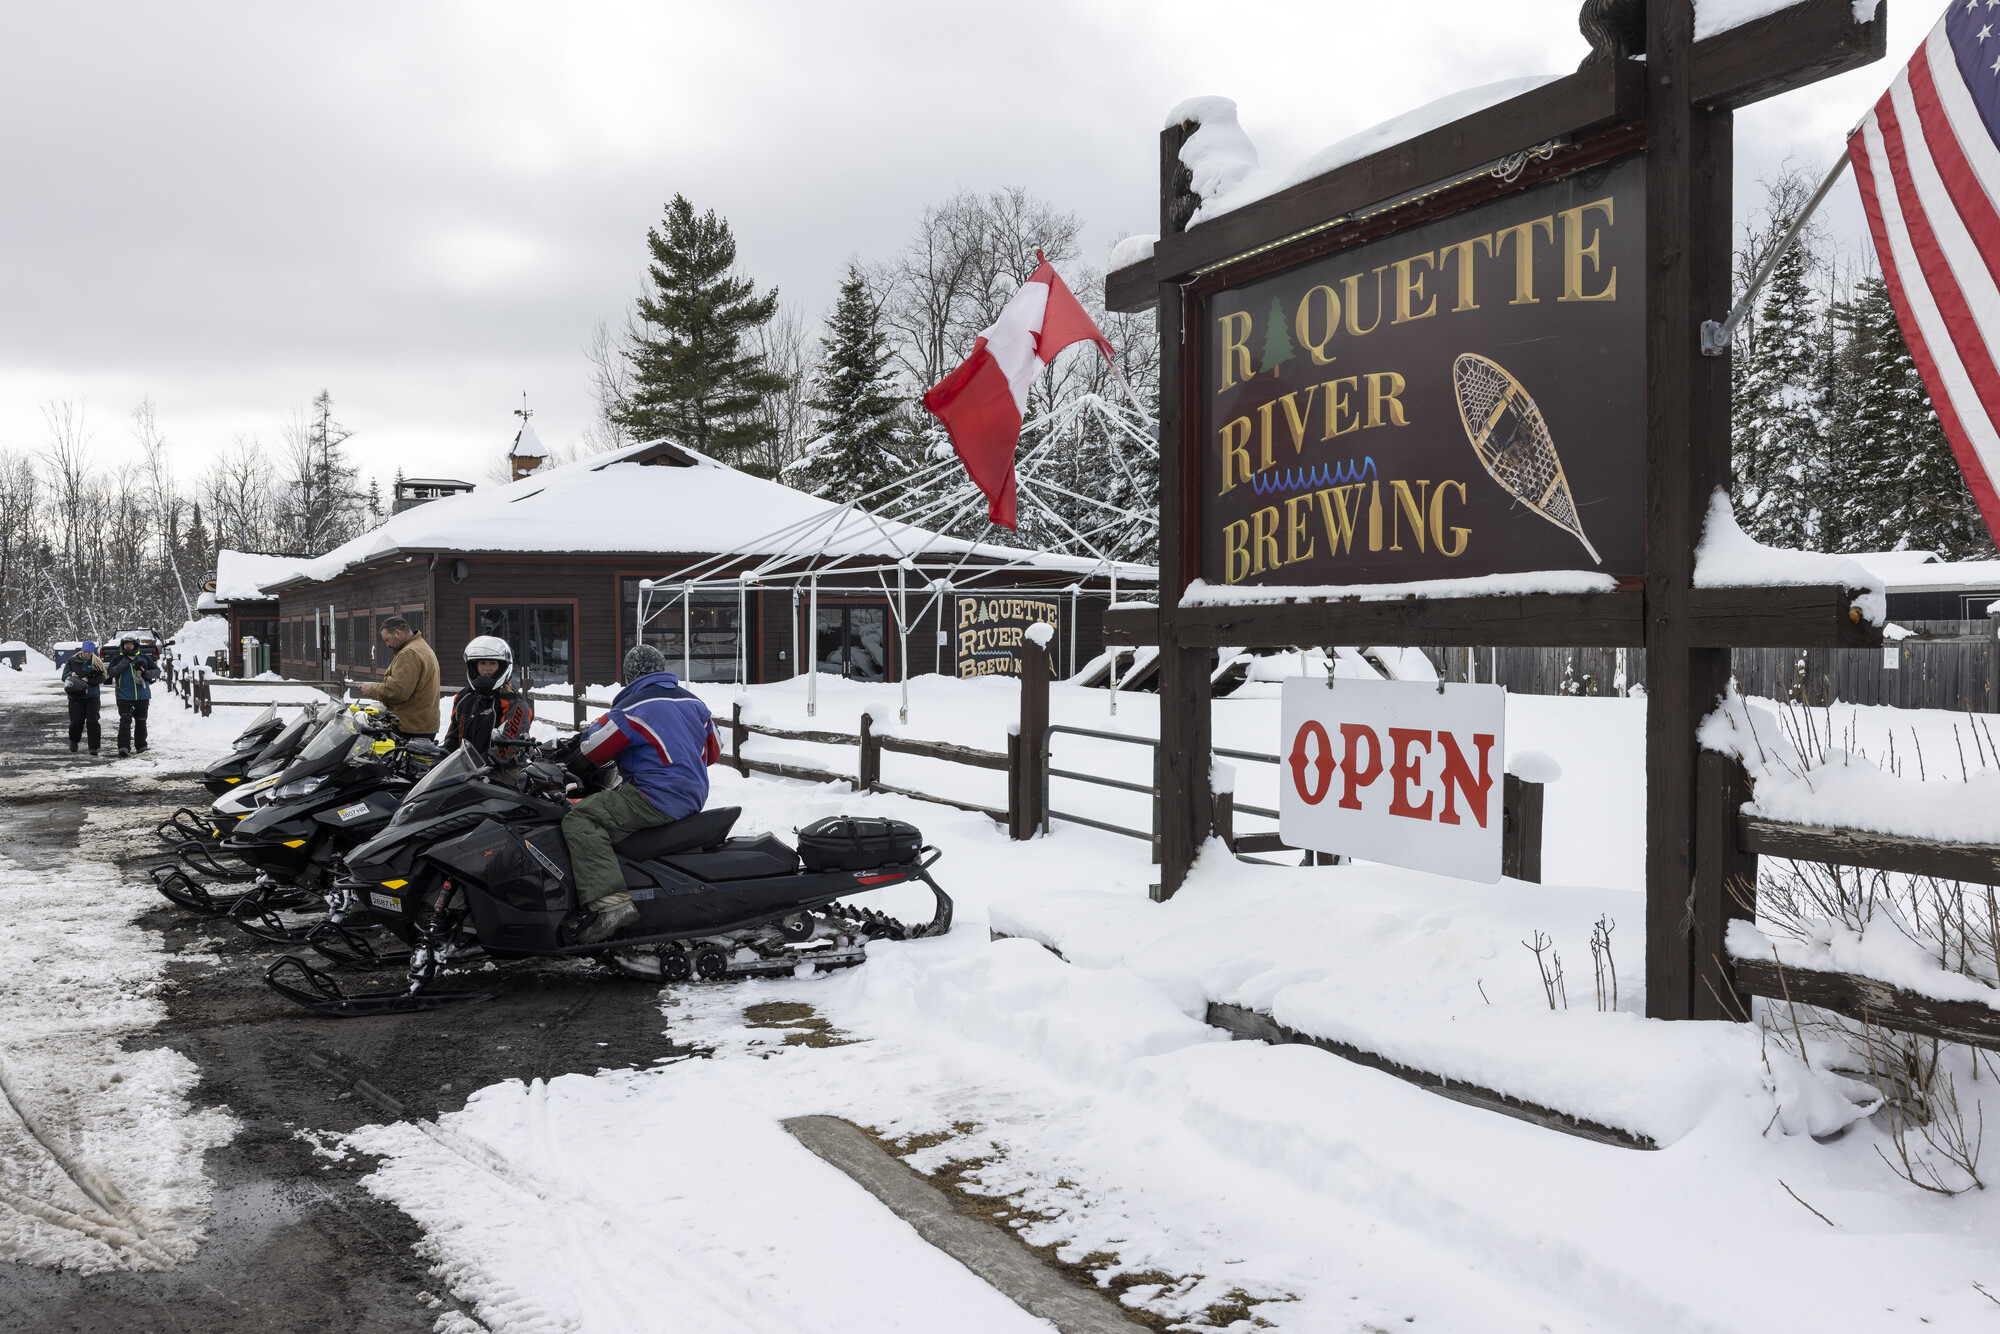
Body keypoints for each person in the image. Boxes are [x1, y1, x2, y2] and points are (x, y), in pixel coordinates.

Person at [562, 644, 720, 944]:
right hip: (692, 795)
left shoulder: (634, 706)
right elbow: (713, 752)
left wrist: (593, 730)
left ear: (629, 674)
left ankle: (612, 906)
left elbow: (593, 749)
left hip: (655, 797)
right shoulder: (695, 703)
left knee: (580, 818)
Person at [443, 635, 534, 758]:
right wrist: (442, 756)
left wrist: (487, 762)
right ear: (474, 666)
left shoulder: (513, 702)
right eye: (482, 663)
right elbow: (452, 737)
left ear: (502, 666)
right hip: (464, 769)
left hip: (499, 770)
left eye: (493, 663)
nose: (487, 668)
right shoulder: (463, 697)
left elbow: (509, 745)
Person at [363, 615, 440, 740]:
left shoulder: (409, 653)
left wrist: (371, 689)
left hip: (410, 728)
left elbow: (397, 691)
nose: (387, 644)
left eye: (387, 639)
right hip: (421, 725)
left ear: (397, 633)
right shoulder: (421, 646)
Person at [103, 634, 159, 757]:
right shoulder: (118, 659)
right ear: (122, 646)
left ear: (135, 645)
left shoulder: (144, 658)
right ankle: (123, 746)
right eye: (126, 644)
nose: (128, 646)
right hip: (124, 696)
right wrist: (126, 662)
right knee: (125, 721)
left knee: (141, 721)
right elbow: (111, 673)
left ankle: (141, 745)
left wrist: (145, 673)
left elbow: (157, 672)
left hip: (142, 696)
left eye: (130, 644)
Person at [61, 640, 106, 755]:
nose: (86, 654)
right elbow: (63, 676)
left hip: (92, 696)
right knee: (76, 721)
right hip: (75, 696)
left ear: (92, 653)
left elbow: (102, 678)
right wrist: (70, 675)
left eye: (89, 653)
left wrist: (89, 680)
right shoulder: (72, 661)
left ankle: (94, 747)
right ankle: (74, 740)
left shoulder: (97, 662)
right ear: (82, 650)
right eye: (85, 652)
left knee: (93, 721)